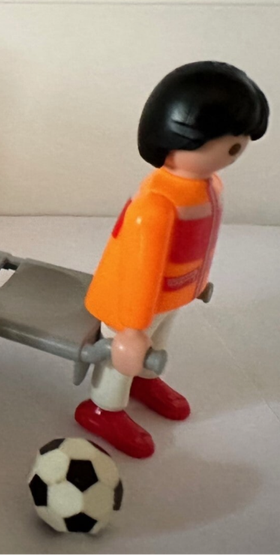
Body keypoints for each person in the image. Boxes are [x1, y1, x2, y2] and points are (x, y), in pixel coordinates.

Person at [75, 61, 269, 458]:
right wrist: (130, 329)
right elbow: (140, 269)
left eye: (241, 141)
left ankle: (145, 380)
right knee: (118, 357)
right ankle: (103, 408)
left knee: (158, 341)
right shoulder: (158, 205)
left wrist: (198, 282)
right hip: (131, 302)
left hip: (172, 295)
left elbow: (202, 242)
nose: (237, 150)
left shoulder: (209, 185)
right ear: (177, 136)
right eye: (229, 142)